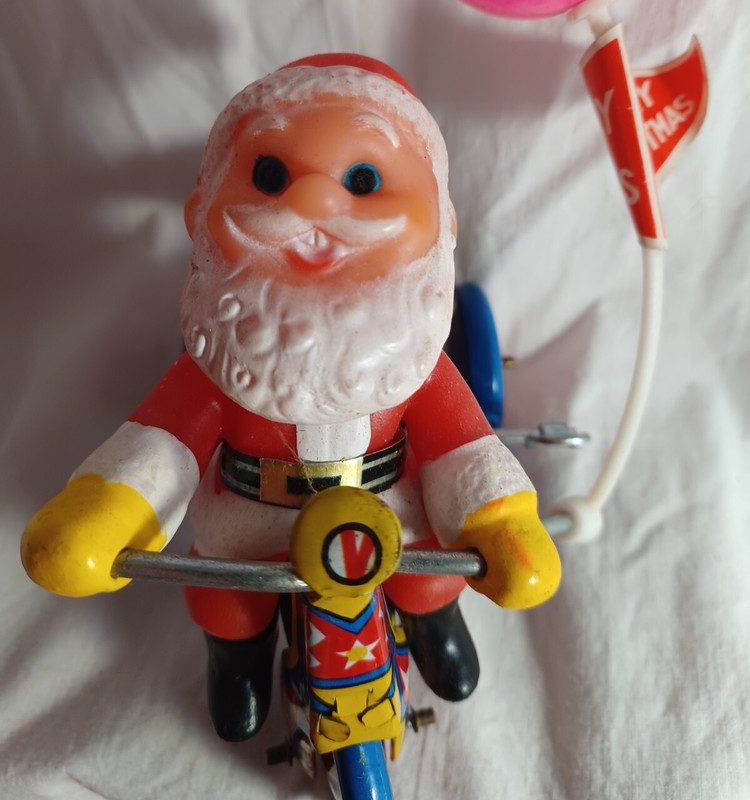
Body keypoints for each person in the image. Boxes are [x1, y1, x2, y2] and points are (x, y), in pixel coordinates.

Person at [22, 53, 561, 742]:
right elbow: (160, 443)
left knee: (426, 570)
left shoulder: (416, 363)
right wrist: (104, 512)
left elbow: (463, 448)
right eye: (271, 177)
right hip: (250, 519)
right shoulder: (219, 362)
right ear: (199, 211)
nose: (312, 206)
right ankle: (236, 659)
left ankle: (435, 620)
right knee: (226, 594)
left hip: (388, 513)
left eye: (363, 180)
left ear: (442, 223)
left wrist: (500, 520)